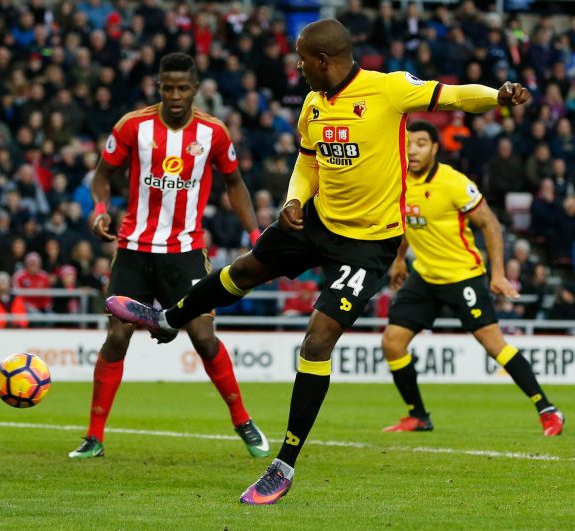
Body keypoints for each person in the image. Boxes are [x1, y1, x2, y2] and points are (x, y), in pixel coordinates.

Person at [106, 19, 532, 505]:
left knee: (318, 339)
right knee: (245, 269)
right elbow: (308, 161)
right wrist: (293, 198)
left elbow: (454, 97)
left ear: (323, 60)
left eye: (302, 58)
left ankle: (284, 463)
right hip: (317, 222)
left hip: (368, 244)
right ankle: (167, 319)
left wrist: (498, 95)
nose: (297, 65)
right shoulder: (312, 103)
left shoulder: (388, 89)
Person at [69, 53, 269, 461]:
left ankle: (243, 420)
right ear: (158, 87)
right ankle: (94, 436)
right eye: (167, 87)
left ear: (195, 89)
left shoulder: (214, 132)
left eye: (182, 88)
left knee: (204, 338)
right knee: (117, 337)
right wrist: (98, 209)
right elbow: (102, 176)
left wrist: (254, 234)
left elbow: (235, 183)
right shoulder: (132, 126)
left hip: (186, 252)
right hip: (134, 249)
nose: (174, 95)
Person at [381, 120, 564, 435]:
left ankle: (547, 409)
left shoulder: (454, 183)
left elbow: (490, 224)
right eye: (409, 142)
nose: (413, 148)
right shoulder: (397, 181)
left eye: (422, 142)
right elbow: (407, 221)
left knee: (494, 344)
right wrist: (399, 260)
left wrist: (498, 274)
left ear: (436, 148)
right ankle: (418, 416)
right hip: (424, 275)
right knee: (392, 343)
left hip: (462, 276)